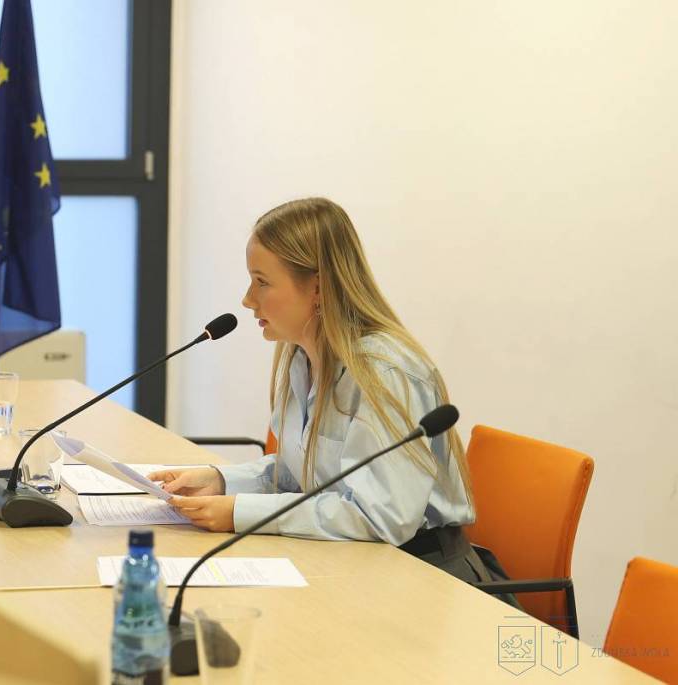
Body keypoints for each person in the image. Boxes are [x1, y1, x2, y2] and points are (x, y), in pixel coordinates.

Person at [149, 197, 519, 599]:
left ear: (318, 287)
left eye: (262, 282)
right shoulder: (301, 358)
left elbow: (381, 517)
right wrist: (222, 481)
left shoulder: (384, 372)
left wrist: (240, 512)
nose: (248, 299)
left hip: (427, 576)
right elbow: (306, 476)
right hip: (355, 564)